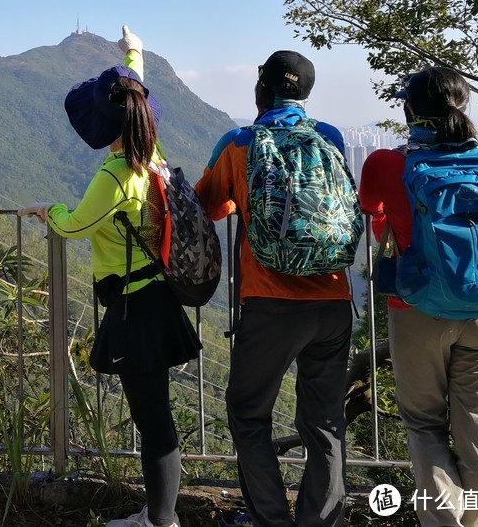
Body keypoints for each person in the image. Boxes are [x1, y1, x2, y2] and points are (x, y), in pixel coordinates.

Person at [19, 26, 201, 527]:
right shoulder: (151, 154)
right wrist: (133, 54)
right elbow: (133, 94)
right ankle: (159, 514)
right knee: (156, 415)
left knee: (153, 419)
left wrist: (45, 210)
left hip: (134, 306)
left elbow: (77, 224)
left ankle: (160, 520)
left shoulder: (115, 176)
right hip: (156, 294)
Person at [194, 51, 352, 527]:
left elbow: (207, 206)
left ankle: (269, 519)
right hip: (333, 300)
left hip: (270, 303)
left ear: (261, 88)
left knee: (247, 411)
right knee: (324, 423)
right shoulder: (331, 138)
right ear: (305, 93)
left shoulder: (240, 142)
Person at [359, 67, 478, 527]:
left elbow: (370, 209)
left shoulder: (387, 163)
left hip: (418, 309)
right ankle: (474, 519)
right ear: (463, 106)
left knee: (424, 423)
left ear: (409, 110)